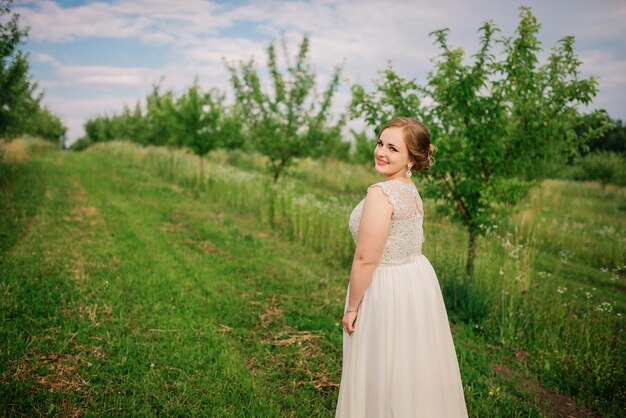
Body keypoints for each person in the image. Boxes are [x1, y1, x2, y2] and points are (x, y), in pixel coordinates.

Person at [335, 117, 468, 417]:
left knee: (384, 362)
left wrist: (353, 307)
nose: (381, 152)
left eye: (393, 148)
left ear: (412, 158)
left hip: (385, 287)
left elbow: (366, 258)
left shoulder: (381, 193)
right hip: (415, 280)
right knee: (410, 362)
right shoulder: (409, 189)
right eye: (381, 143)